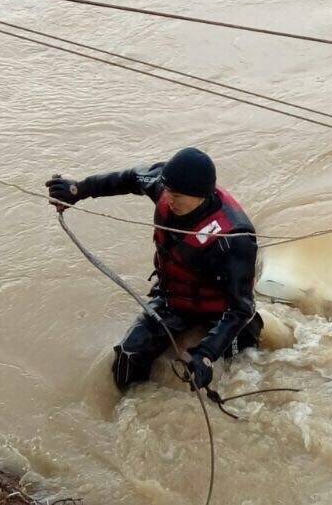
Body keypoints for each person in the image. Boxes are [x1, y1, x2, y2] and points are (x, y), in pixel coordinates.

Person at [46, 147, 261, 392]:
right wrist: (79, 189)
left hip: (220, 310)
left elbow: (241, 309)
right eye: (168, 191)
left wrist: (206, 355)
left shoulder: (236, 237)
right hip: (174, 299)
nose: (169, 198)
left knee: (243, 369)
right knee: (128, 353)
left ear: (202, 195)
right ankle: (130, 408)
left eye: (178, 195)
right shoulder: (165, 185)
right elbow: (128, 178)